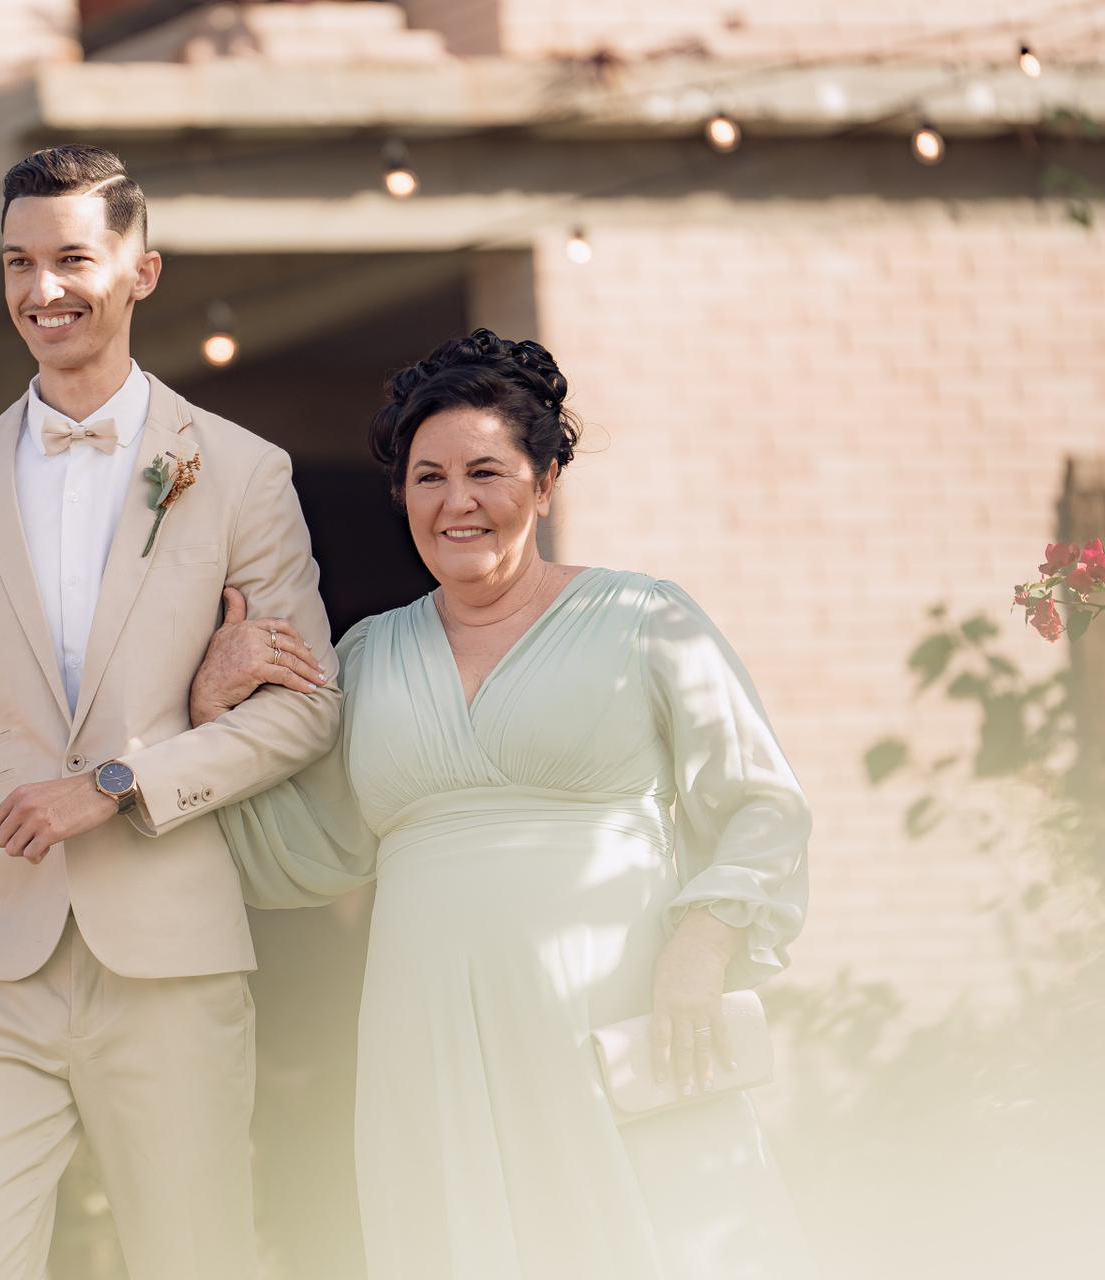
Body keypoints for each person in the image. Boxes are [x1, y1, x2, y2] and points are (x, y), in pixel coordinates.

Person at [196, 330, 818, 1279]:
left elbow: (762, 803)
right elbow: (302, 848)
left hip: (617, 1012)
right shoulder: (367, 657)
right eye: (429, 477)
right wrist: (212, 714)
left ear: (545, 481)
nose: (457, 501)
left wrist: (699, 952)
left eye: (486, 471)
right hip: (426, 1036)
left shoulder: (645, 618)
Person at [0, 142, 339, 1280]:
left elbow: (305, 712)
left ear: (141, 271)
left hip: (172, 957)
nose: (43, 289)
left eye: (73, 258)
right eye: (18, 262)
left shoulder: (241, 472)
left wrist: (119, 784)